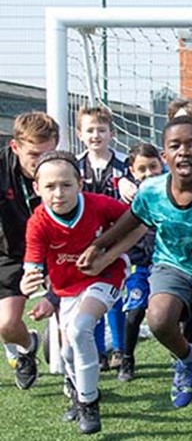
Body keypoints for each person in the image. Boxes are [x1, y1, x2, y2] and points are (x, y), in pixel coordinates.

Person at [78, 116, 192, 435]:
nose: (184, 152)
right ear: (165, 156)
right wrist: (98, 246)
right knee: (159, 318)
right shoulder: (151, 191)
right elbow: (131, 222)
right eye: (175, 146)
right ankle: (185, 358)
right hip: (172, 265)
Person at [21, 150, 142, 434]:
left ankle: (89, 402)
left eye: (66, 185)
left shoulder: (100, 205)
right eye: (49, 186)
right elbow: (33, 265)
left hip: (107, 276)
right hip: (67, 289)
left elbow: (139, 224)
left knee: (80, 328)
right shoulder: (38, 222)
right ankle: (78, 393)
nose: (58, 193)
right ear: (37, 188)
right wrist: (30, 280)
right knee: (66, 352)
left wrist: (107, 256)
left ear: (80, 183)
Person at [0, 112, 59, 390]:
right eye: (34, 154)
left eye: (49, 153)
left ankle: (81, 391)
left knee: (75, 324)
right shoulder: (1, 169)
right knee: (7, 325)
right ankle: (27, 348)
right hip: (12, 253)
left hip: (57, 249)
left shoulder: (62, 169)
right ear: (15, 147)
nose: (42, 162)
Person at [74, 106, 129, 371]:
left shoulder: (124, 165)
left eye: (101, 130)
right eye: (90, 130)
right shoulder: (74, 165)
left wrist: (133, 185)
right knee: (88, 294)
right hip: (84, 243)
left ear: (112, 134)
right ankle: (97, 352)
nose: (96, 135)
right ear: (80, 134)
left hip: (117, 239)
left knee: (115, 292)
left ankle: (120, 349)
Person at [118, 143, 163, 382]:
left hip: (166, 264)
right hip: (138, 264)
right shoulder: (128, 196)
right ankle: (127, 359)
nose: (148, 173)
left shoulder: (171, 190)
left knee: (177, 313)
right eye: (142, 169)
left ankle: (186, 358)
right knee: (135, 312)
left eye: (153, 167)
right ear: (132, 171)